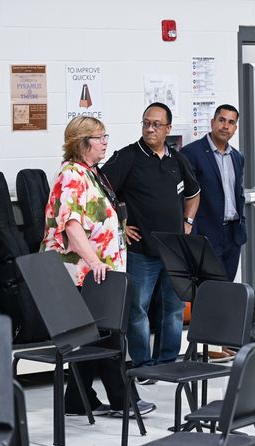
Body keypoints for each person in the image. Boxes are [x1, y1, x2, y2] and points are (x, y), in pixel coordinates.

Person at [41, 116, 155, 417]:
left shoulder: (92, 173)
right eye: (100, 137)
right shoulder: (70, 176)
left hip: (101, 269)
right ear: (82, 142)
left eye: (106, 136)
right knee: (109, 334)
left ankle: (78, 400)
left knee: (93, 336)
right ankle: (122, 400)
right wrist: (94, 262)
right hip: (83, 273)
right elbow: (71, 226)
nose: (106, 142)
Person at [102, 102, 201, 374]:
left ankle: (168, 363)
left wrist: (188, 222)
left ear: (168, 128)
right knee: (138, 311)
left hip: (174, 251)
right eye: (146, 122)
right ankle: (143, 366)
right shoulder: (128, 157)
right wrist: (121, 224)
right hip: (141, 250)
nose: (150, 128)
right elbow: (100, 192)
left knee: (174, 309)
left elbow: (193, 193)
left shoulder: (177, 159)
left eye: (157, 124)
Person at [181, 104, 246, 281]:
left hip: (233, 236)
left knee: (227, 289)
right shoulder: (191, 153)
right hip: (207, 235)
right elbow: (183, 196)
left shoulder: (237, 157)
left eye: (231, 122)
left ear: (235, 128)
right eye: (222, 120)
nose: (225, 126)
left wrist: (242, 223)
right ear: (212, 122)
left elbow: (238, 193)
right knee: (207, 291)